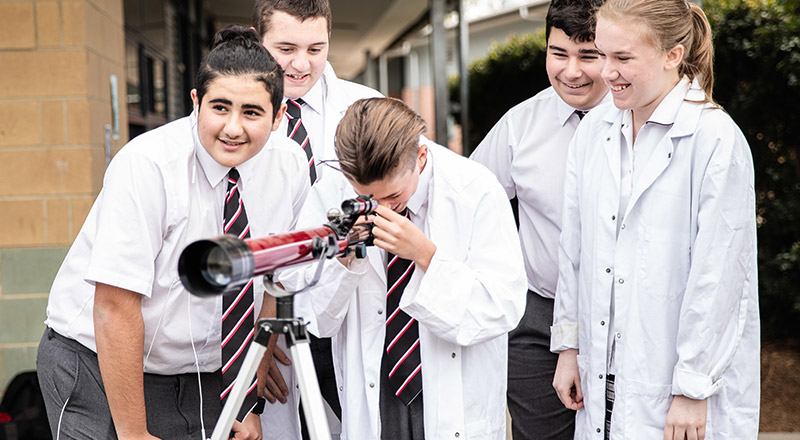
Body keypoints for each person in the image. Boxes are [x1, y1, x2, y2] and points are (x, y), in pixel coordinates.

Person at [36, 25, 310, 440]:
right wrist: (133, 434)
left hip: (195, 369)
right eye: (220, 107)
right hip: (96, 355)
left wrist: (245, 398)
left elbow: (270, 283)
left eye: (252, 112)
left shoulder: (289, 166)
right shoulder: (148, 164)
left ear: (278, 117)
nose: (233, 127)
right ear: (196, 103)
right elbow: (114, 305)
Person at [550, 1, 760, 439]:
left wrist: (691, 388)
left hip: (678, 390)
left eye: (623, 58)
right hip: (600, 379)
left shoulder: (715, 140)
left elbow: (718, 281)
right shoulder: (596, 128)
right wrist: (569, 347)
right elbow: (576, 249)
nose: (606, 72)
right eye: (602, 53)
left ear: (673, 55)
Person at [278, 97, 527, 439]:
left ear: (420, 157)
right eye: (367, 197)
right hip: (374, 382)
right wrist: (344, 262)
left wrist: (425, 255)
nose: (382, 209)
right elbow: (312, 315)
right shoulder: (331, 190)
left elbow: (502, 308)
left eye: (393, 196)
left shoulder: (476, 189)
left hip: (452, 385)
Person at [469, 1, 608, 438]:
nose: (571, 72)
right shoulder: (520, 124)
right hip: (536, 323)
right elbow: (467, 201)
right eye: (558, 53)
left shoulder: (638, 121)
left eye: (589, 56)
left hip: (624, 317)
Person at [250, 1, 382, 438]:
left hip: (348, 305)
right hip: (262, 308)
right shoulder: (234, 118)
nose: (301, 64)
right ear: (258, 38)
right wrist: (258, 340)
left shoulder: (367, 107)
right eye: (285, 48)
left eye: (316, 48)